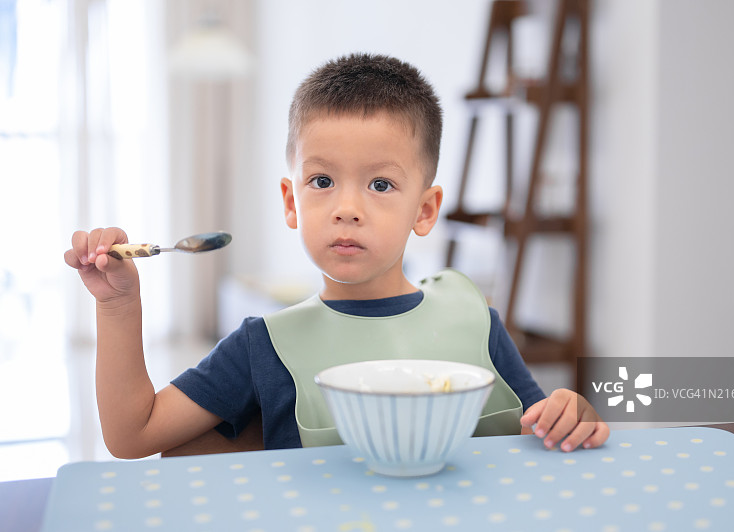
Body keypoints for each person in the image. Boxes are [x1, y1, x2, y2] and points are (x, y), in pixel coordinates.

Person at [65, 53, 609, 459]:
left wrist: (570, 415)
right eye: (322, 180)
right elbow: (131, 435)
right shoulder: (264, 346)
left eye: (380, 184)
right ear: (291, 201)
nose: (347, 208)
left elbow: (540, 434)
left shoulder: (477, 321)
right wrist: (118, 305)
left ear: (425, 210)